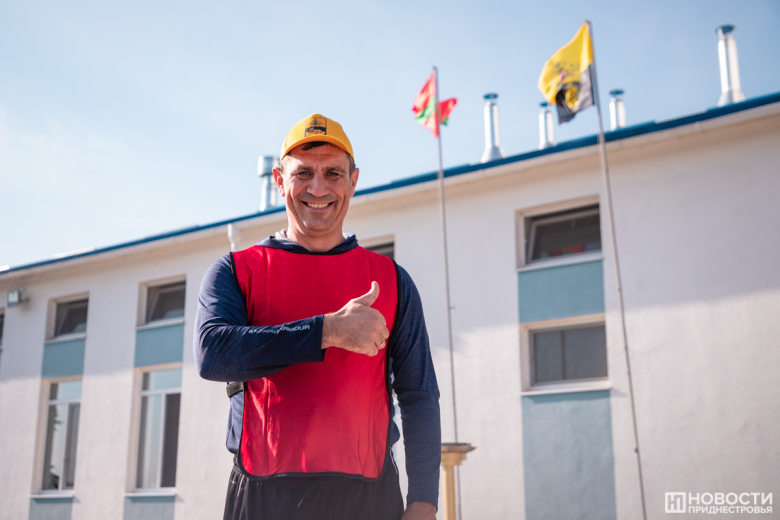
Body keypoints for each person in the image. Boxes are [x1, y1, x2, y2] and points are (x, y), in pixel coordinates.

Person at [194, 114, 441, 520]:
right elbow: (212, 355)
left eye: (333, 174)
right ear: (279, 180)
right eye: (303, 173)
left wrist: (424, 502)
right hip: (264, 495)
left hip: (368, 498)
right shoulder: (235, 271)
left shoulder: (392, 280)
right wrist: (327, 331)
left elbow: (419, 395)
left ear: (353, 181)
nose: (318, 188)